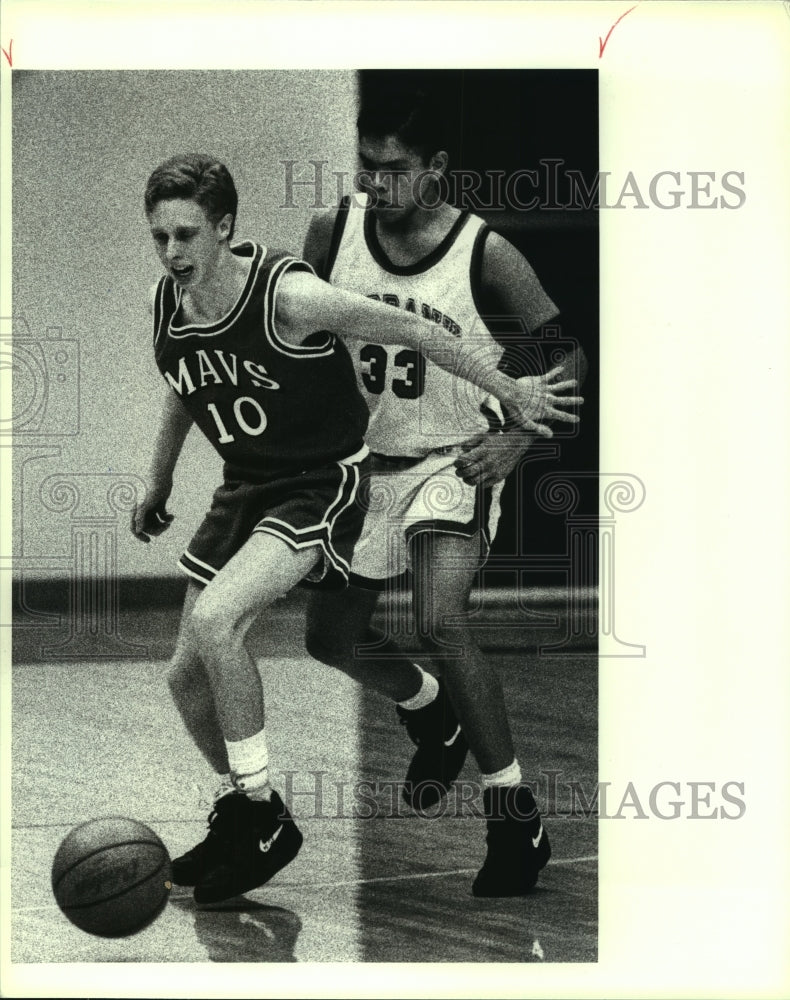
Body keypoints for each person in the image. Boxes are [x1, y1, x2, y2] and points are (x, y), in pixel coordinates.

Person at [131, 153, 581, 905]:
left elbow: (407, 326)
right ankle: (245, 809)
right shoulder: (170, 299)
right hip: (246, 488)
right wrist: (160, 477)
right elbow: (185, 382)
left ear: (225, 228)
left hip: (325, 481)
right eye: (159, 237)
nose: (173, 253)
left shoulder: (291, 294)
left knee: (225, 623)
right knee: (194, 674)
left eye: (186, 235)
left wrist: (510, 393)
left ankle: (281, 814)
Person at [301, 83, 587, 896]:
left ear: (436, 168)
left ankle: (514, 814)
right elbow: (298, 335)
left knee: (436, 615)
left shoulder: (483, 252)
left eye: (394, 169)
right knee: (328, 638)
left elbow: (569, 358)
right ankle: (430, 709)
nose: (375, 184)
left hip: (453, 459)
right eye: (366, 165)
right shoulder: (331, 232)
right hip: (362, 464)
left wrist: (518, 435)